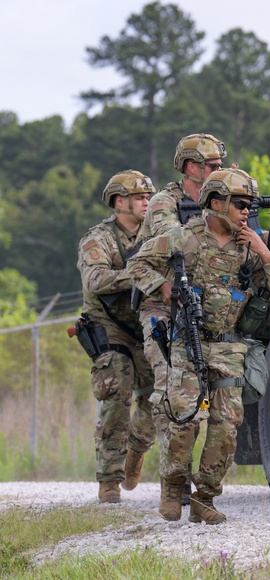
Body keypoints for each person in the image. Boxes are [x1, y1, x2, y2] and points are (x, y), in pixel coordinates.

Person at [129, 167, 270, 524]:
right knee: (184, 420)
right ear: (216, 203)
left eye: (249, 204)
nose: (247, 210)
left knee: (226, 427)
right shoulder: (183, 238)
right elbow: (137, 265)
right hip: (188, 344)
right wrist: (163, 287)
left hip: (230, 348)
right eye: (240, 203)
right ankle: (173, 487)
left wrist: (266, 254)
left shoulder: (250, 248)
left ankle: (205, 498)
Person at [76, 170, 157, 503]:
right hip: (109, 326)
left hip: (146, 325)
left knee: (161, 395)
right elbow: (95, 279)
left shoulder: (156, 234)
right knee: (117, 389)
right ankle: (109, 479)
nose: (146, 203)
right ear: (120, 202)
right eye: (140, 198)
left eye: (148, 197)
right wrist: (138, 274)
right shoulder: (99, 239)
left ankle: (136, 450)